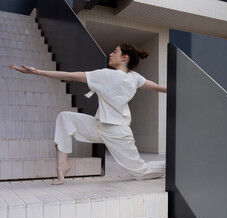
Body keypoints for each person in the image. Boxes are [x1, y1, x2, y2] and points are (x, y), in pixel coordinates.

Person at [9, 44, 166, 185]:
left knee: (140, 172)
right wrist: (180, 89)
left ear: (124, 57)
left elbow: (70, 76)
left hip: (118, 132)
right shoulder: (134, 78)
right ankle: (62, 165)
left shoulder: (108, 75)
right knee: (65, 117)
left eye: (115, 51)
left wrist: (37, 72)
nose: (110, 54)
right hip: (99, 126)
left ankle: (171, 166)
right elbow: (158, 87)